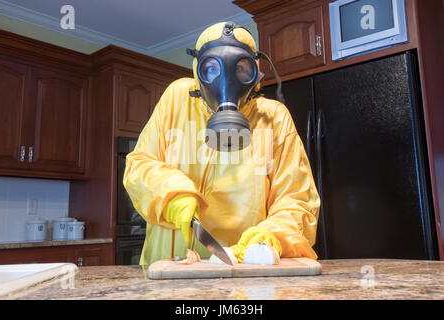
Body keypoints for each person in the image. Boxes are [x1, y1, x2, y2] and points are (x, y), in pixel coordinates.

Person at [123, 22, 320, 268]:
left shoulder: (274, 117)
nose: (226, 80)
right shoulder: (177, 98)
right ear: (198, 70)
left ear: (254, 73)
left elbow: (296, 198)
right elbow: (139, 165)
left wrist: (271, 237)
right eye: (212, 68)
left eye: (240, 68)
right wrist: (171, 196)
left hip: (244, 267)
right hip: (171, 267)